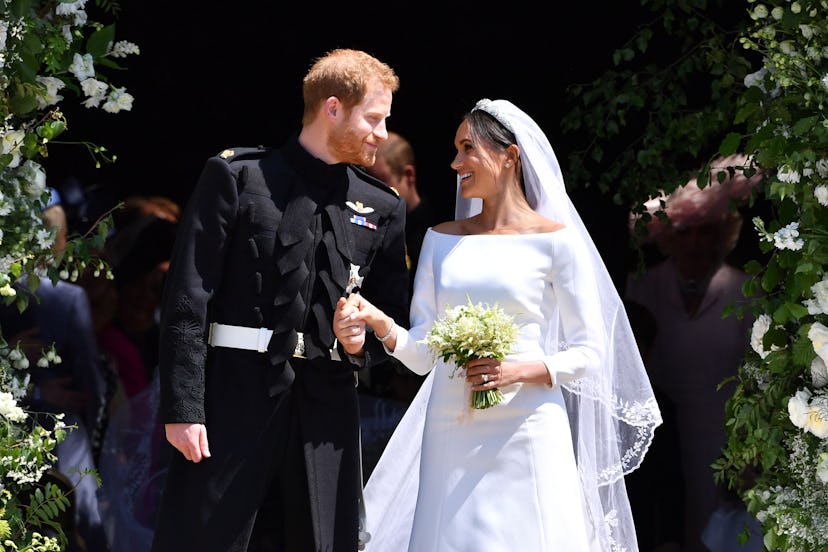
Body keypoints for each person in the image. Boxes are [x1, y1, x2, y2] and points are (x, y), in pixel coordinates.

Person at [334, 99, 663, 551]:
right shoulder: (439, 240)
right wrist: (380, 323)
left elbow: (590, 353)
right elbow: (424, 354)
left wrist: (517, 371)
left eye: (468, 148)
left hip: (528, 425)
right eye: (455, 149)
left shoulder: (556, 243)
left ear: (509, 156)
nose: (455, 163)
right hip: (451, 424)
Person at [150, 48, 408, 552]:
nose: (382, 134)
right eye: (373, 119)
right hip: (232, 398)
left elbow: (391, 317)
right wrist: (183, 407)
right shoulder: (237, 177)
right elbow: (187, 299)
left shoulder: (383, 206)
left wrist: (360, 341)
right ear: (332, 108)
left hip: (326, 412)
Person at [625, 156, 761, 552]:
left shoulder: (746, 291)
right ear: (668, 235)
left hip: (722, 439)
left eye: (707, 231)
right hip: (658, 436)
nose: (697, 242)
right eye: (686, 232)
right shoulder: (642, 286)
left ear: (724, 232)